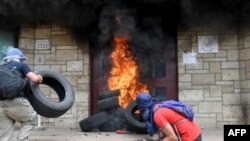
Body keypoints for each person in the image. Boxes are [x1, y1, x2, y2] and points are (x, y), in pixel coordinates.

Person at [0, 47, 43, 141]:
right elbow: (34, 79)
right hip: (16, 101)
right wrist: (40, 77)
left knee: (4, 137)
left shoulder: (1, 67)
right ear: (19, 58)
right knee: (32, 119)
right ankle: (21, 139)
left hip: (1, 105)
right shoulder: (21, 66)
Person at [136, 92, 202, 141]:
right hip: (195, 133)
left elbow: (173, 137)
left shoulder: (158, 115)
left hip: (191, 138)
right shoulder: (159, 106)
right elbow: (165, 132)